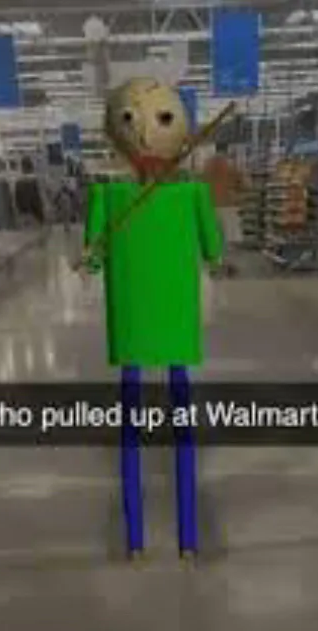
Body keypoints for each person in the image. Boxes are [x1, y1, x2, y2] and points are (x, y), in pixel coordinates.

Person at [81, 77, 224, 560]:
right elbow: (214, 254)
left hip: (153, 315)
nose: (144, 133)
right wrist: (90, 257)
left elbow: (213, 249)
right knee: (150, 417)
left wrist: (92, 257)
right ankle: (153, 539)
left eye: (161, 119)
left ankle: (171, 539)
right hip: (152, 315)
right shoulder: (110, 198)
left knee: (159, 418)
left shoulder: (185, 196)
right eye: (130, 120)